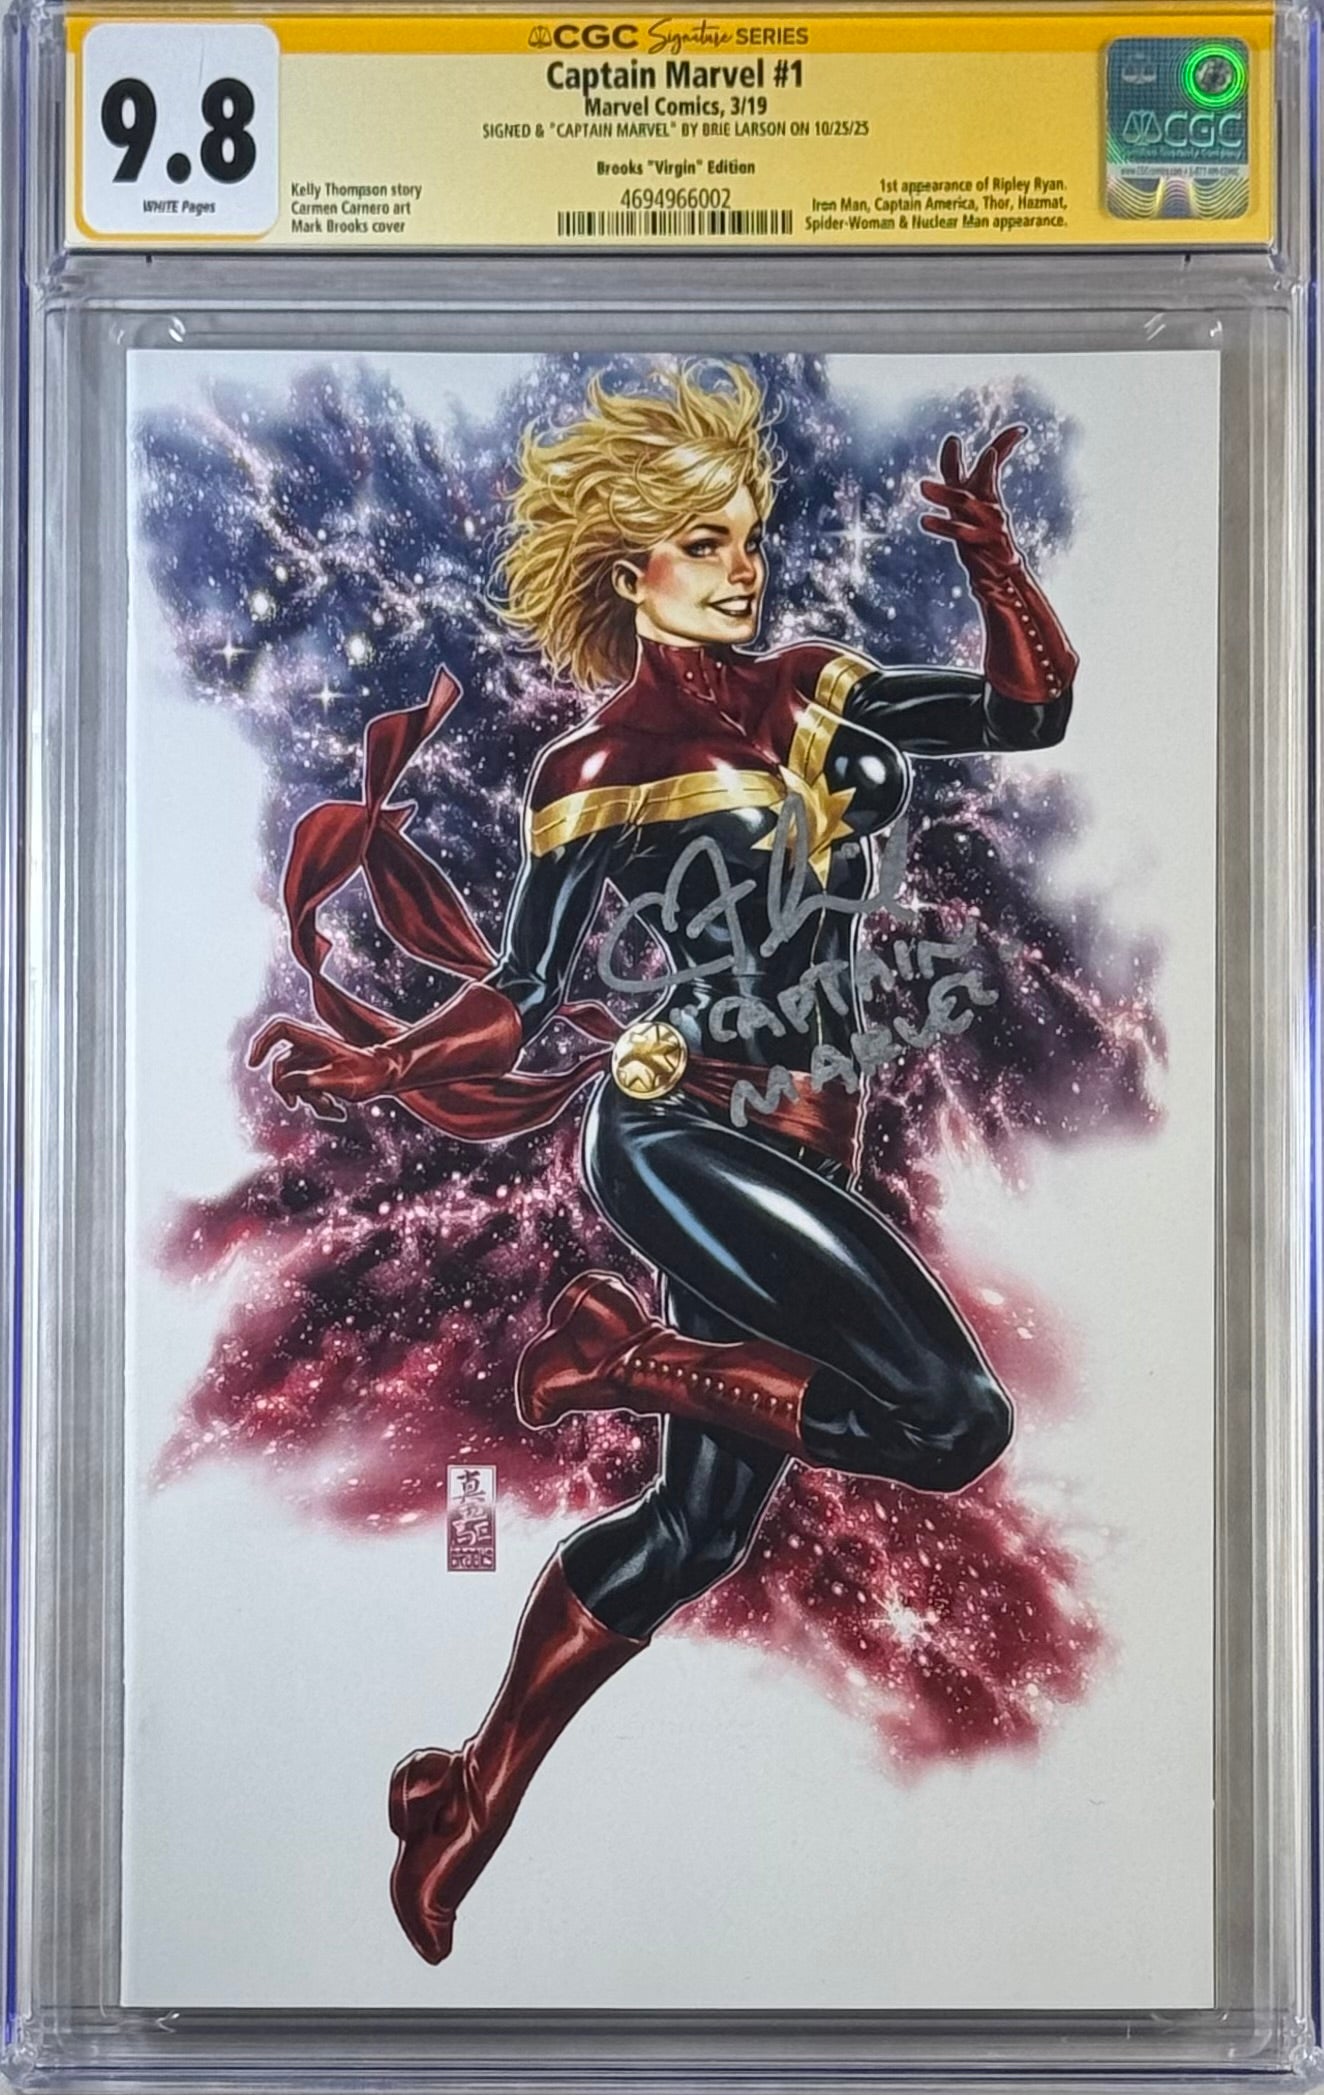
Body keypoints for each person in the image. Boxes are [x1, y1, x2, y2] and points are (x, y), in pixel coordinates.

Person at [250, 361, 1077, 1964]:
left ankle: (471, 1796)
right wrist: (384, 1063)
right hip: (679, 1130)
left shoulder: (819, 688)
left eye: (748, 535)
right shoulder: (595, 771)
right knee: (955, 1422)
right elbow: (522, 993)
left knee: (691, 1536)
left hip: (810, 1151)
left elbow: (1028, 712)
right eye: (706, 543)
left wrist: (993, 562)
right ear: (633, 572)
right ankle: (623, 1357)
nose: (743, 564)